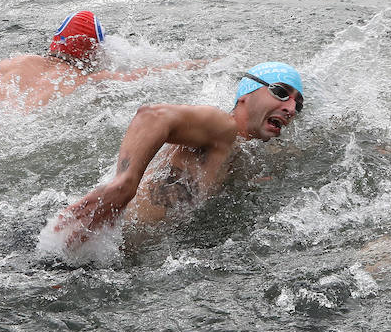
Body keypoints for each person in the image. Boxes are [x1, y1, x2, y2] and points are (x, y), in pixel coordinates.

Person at [46, 62, 304, 249]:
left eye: (297, 103)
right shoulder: (222, 128)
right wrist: (125, 182)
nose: (291, 108)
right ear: (246, 94)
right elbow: (153, 116)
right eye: (281, 93)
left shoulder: (247, 154)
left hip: (117, 253)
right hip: (86, 240)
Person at [0, 11, 207, 114]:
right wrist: (208, 63)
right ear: (92, 53)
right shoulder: (89, 79)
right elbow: (155, 73)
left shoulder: (11, 62)